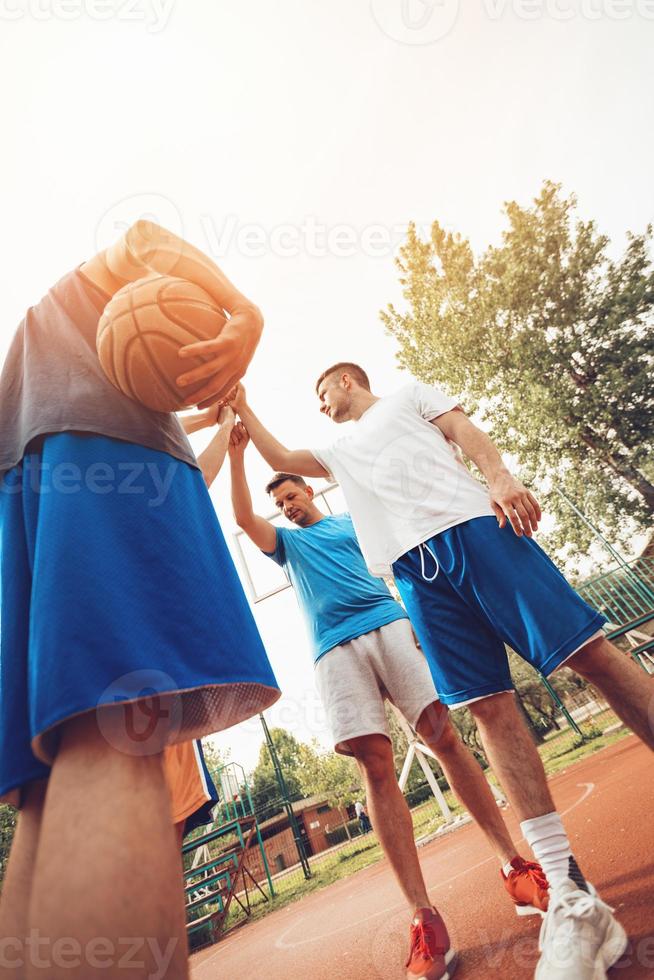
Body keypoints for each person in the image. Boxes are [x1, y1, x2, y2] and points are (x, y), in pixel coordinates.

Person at [229, 368, 654, 980]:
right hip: (415, 575)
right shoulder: (338, 454)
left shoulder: (407, 397)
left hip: (475, 531)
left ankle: (548, 880)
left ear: (347, 380)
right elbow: (279, 455)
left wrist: (501, 476)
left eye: (323, 394)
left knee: (591, 657)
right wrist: (242, 403)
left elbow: (464, 429)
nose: (321, 408)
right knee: (487, 708)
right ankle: (571, 896)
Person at [0, 221, 280, 980]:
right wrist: (241, 312)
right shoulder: (95, 353)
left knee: (49, 787)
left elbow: (186, 452)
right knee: (121, 728)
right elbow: (144, 235)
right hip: (91, 427)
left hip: (26, 464)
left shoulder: (51, 372)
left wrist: (214, 421)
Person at [228, 422, 549, 980]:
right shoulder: (288, 545)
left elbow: (399, 568)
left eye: (292, 495)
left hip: (391, 626)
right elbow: (241, 520)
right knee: (375, 768)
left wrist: (422, 625)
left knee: (444, 737)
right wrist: (236, 456)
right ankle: (424, 919)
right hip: (335, 651)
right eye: (280, 503)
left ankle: (514, 864)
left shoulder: (353, 525)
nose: (287, 506)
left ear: (308, 491)